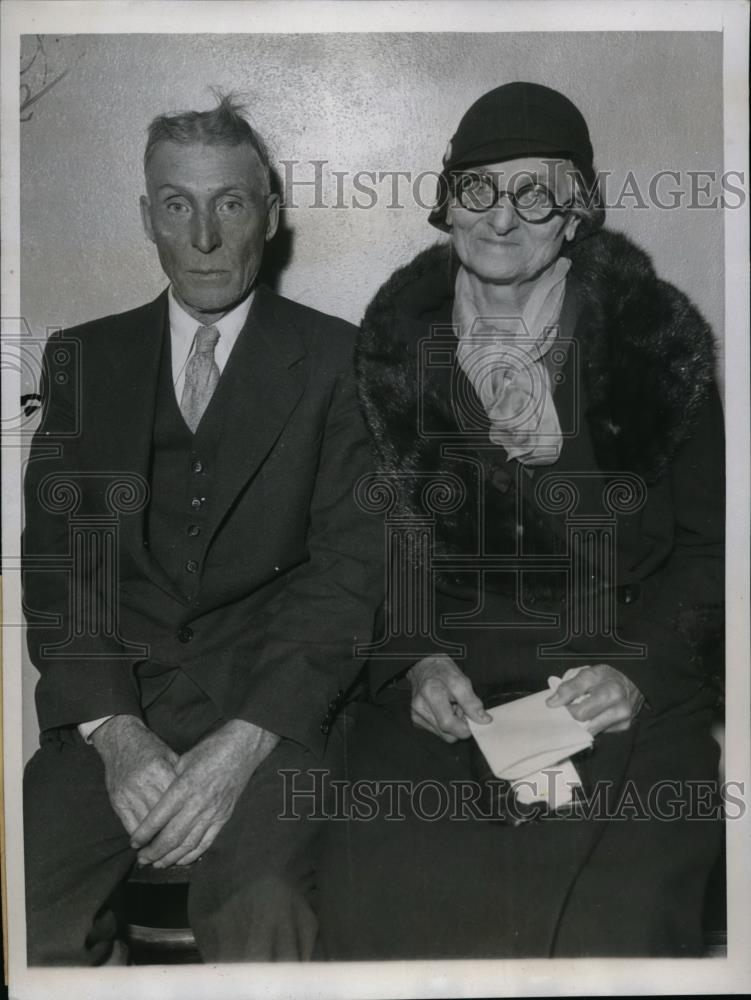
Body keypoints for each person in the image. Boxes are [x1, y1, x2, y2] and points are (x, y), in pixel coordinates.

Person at [315, 82, 725, 958]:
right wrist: (412, 660)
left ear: (575, 212)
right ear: (445, 204)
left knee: (608, 928)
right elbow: (358, 551)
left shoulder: (660, 354)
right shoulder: (385, 360)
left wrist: (635, 671)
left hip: (616, 698)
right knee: (385, 911)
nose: (501, 218)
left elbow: (711, 554)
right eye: (477, 189)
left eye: (534, 192)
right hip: (439, 707)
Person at [22, 93, 381, 965]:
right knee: (24, 899)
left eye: (230, 203)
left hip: (273, 721)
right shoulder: (82, 360)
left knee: (262, 907)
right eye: (178, 205)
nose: (206, 236)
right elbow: (60, 569)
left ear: (271, 212)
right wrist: (118, 736)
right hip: (116, 714)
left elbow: (350, 577)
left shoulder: (342, 361)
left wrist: (240, 746)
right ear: (150, 217)